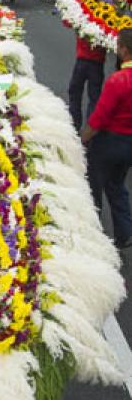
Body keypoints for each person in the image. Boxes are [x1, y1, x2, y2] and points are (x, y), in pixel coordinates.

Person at [83, 28, 132, 249]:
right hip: (128, 144)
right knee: (117, 185)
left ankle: (94, 238)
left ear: (123, 50)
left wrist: (84, 138)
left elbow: (99, 118)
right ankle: (125, 232)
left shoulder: (118, 80)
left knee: (94, 187)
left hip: (108, 142)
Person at [67, 34, 106, 133]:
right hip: (97, 62)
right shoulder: (109, 19)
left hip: (83, 59)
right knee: (94, 98)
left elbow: (68, 21)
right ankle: (90, 130)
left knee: (75, 92)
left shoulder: (85, 18)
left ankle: (74, 124)